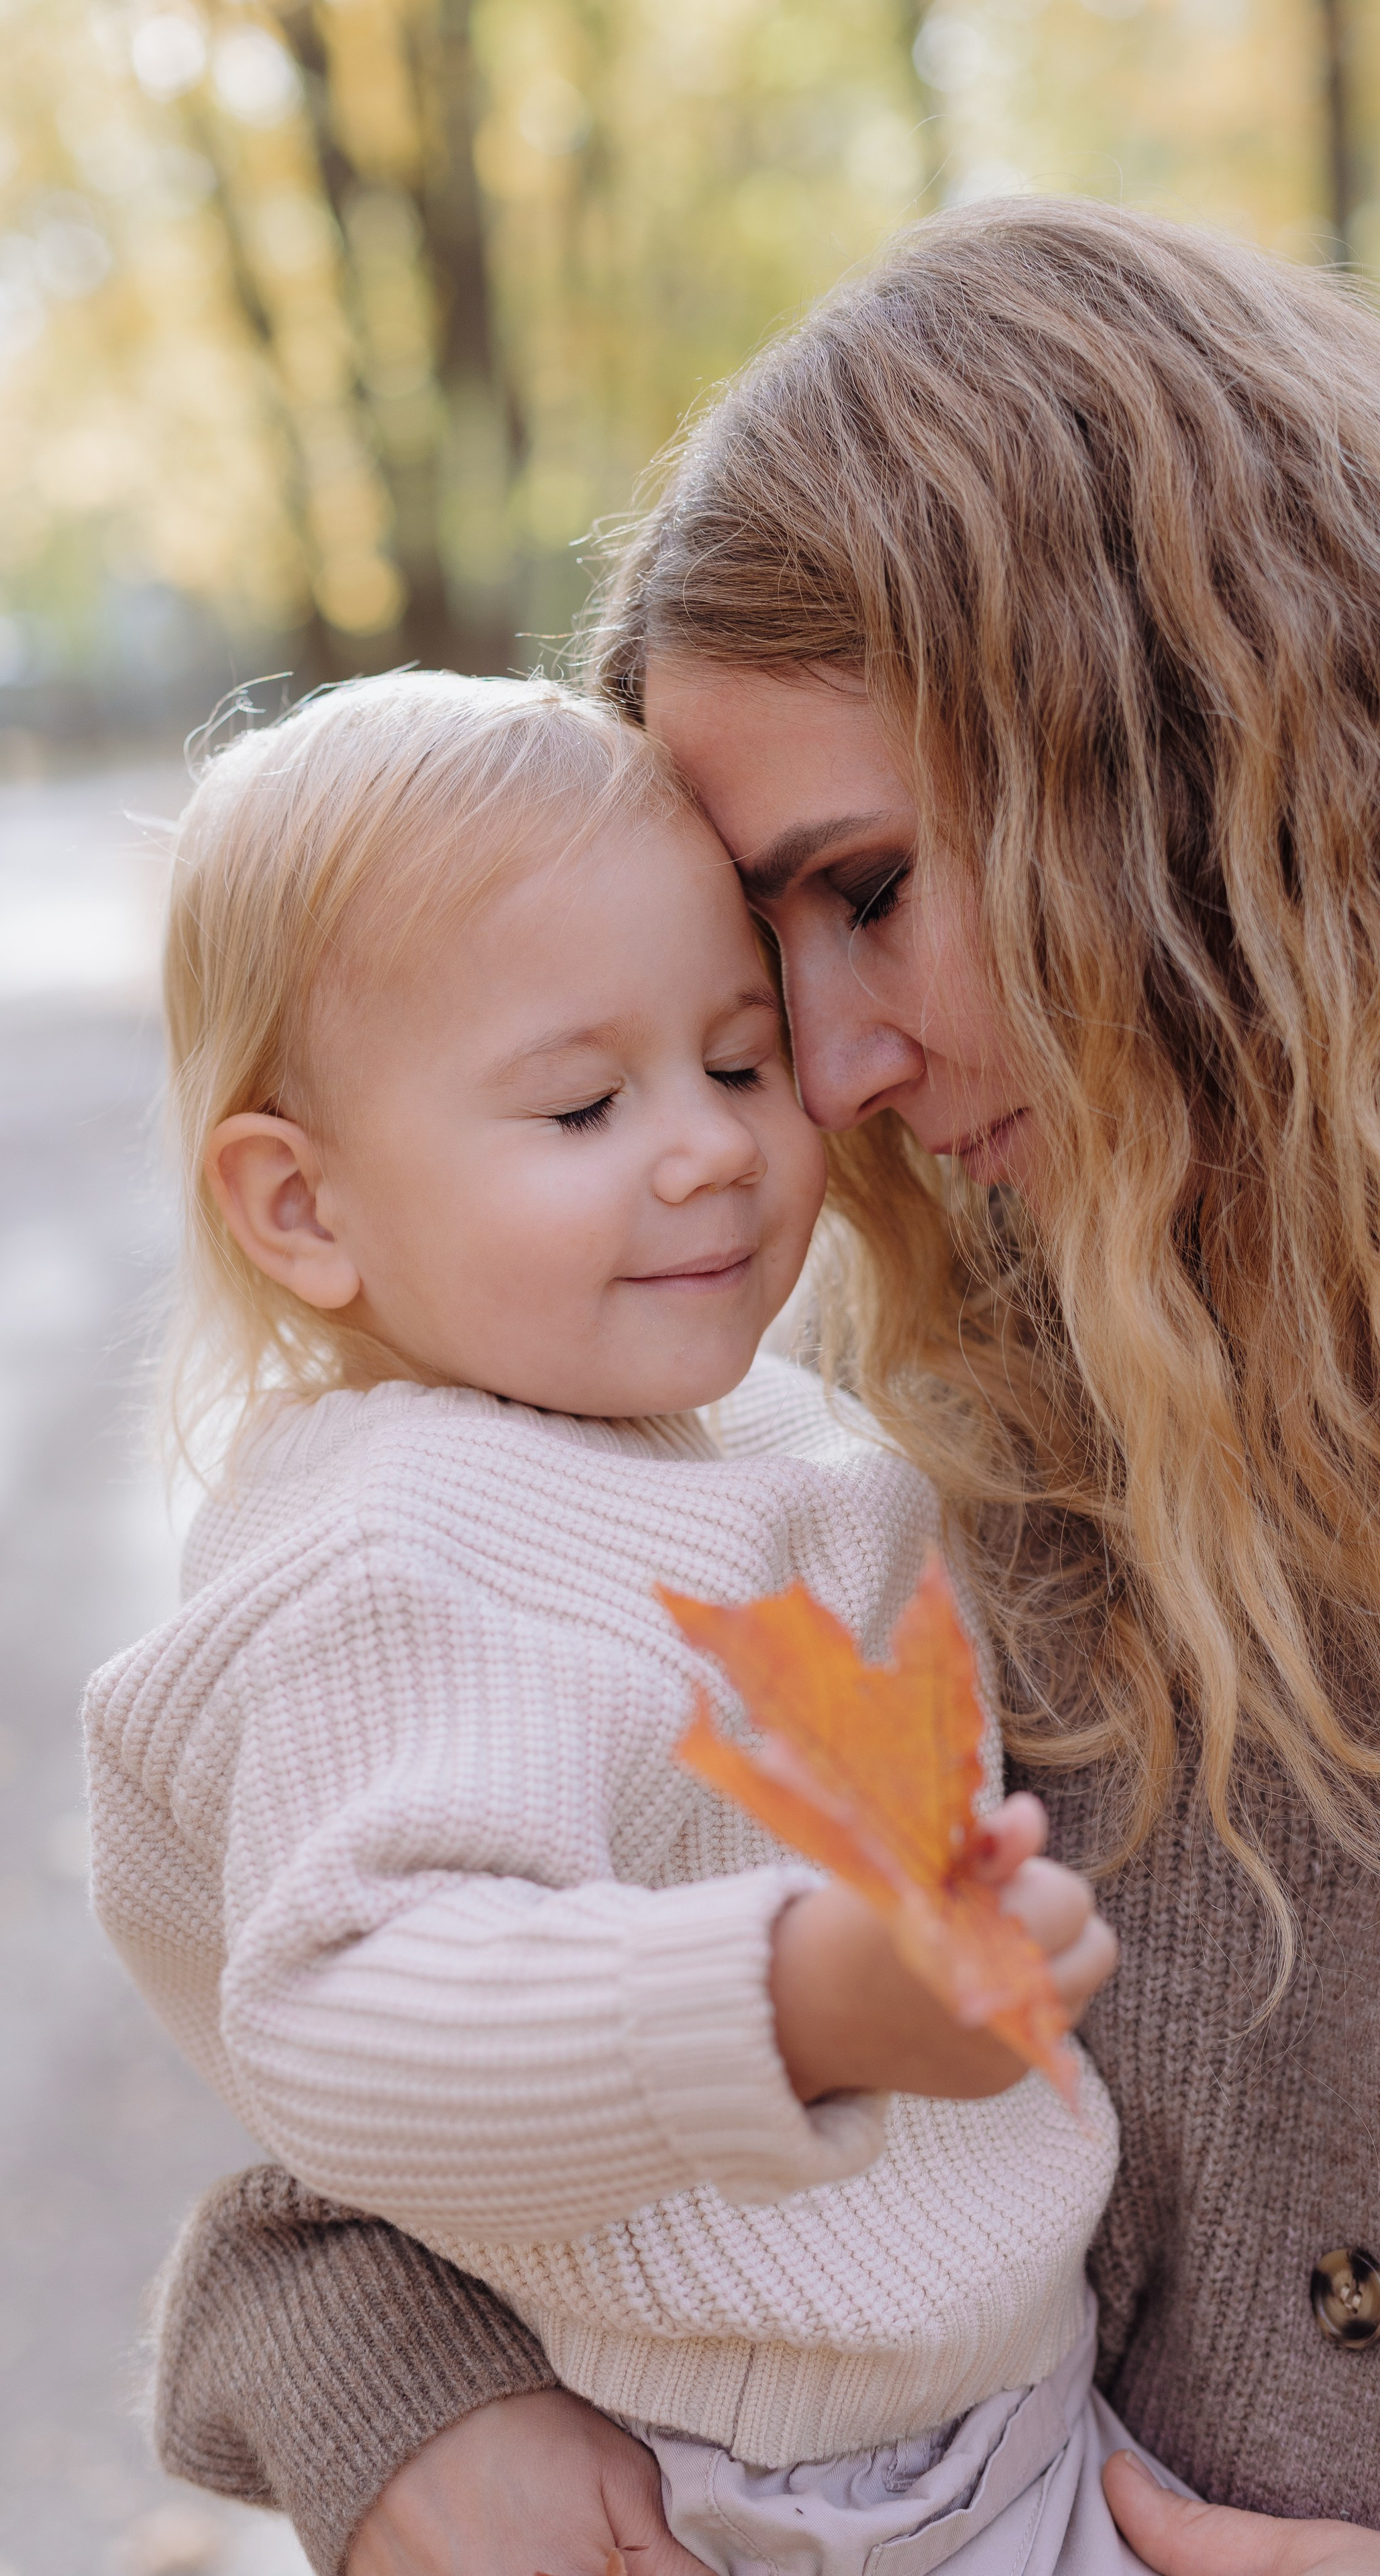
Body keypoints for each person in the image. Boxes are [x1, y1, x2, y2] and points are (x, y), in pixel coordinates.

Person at [147, 201, 1380, 2576]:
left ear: (1211, 758)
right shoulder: (912, 1414)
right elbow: (409, 2041)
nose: (834, 1091)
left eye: (865, 890)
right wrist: (399, 2398)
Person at [85, 666, 1162, 2576]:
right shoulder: (405, 1553)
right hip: (747, 2493)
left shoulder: (730, 1428)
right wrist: (800, 2000)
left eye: (740, 1064)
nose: (708, 1150)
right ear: (302, 1206)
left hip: (993, 2420)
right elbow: (348, 1998)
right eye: (585, 1103)